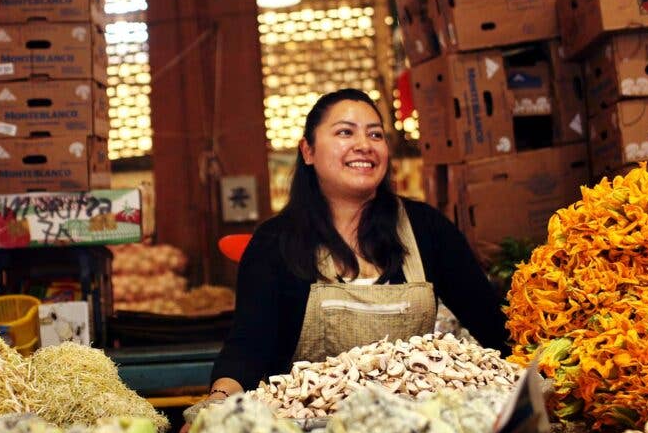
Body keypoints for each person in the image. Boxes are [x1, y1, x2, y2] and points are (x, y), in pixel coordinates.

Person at [207, 88, 509, 400]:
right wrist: (218, 400)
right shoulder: (275, 241)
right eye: (345, 132)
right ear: (308, 151)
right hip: (310, 427)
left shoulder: (427, 230)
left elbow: (492, 325)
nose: (364, 145)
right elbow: (247, 346)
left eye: (375, 135)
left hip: (414, 426)